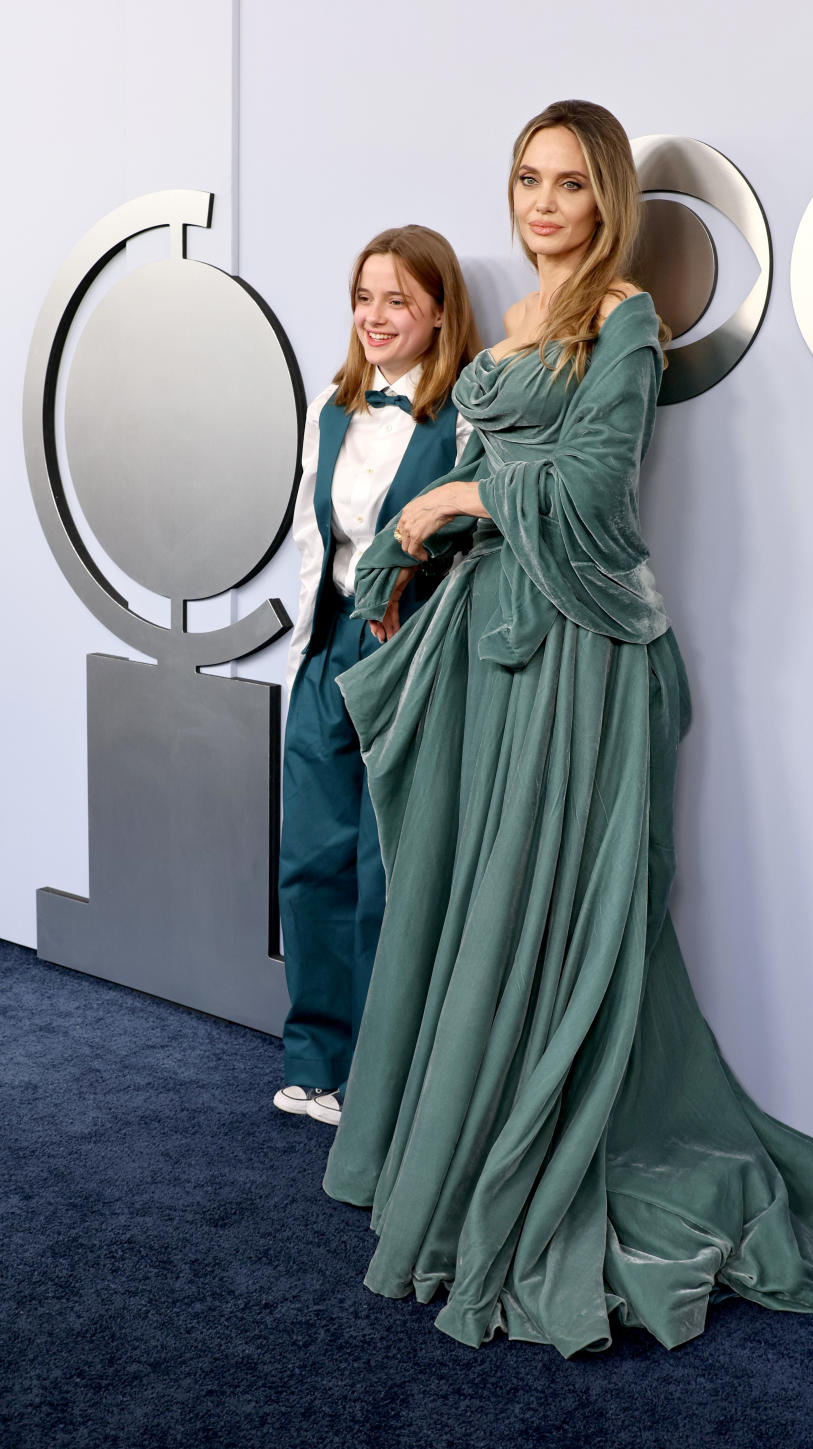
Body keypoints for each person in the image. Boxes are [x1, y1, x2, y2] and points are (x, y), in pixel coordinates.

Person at [322, 102, 813, 1354]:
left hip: (581, 654)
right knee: (477, 900)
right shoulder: (517, 321)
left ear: (607, 199)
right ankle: (461, 1141)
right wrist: (428, 544)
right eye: (527, 178)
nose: (542, 205)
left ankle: (548, 1158)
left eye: (569, 185)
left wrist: (467, 492)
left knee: (549, 909)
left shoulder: (622, 314)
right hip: (494, 642)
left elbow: (593, 495)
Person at [275, 226, 479, 1125]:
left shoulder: (469, 411)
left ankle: (379, 1074)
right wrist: (316, 642)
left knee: (386, 870)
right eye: (364, 297)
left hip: (411, 654)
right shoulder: (332, 403)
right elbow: (314, 533)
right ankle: (313, 1060)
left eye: (397, 299)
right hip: (330, 646)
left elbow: (485, 535)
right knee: (310, 857)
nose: (375, 316)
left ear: (439, 313)